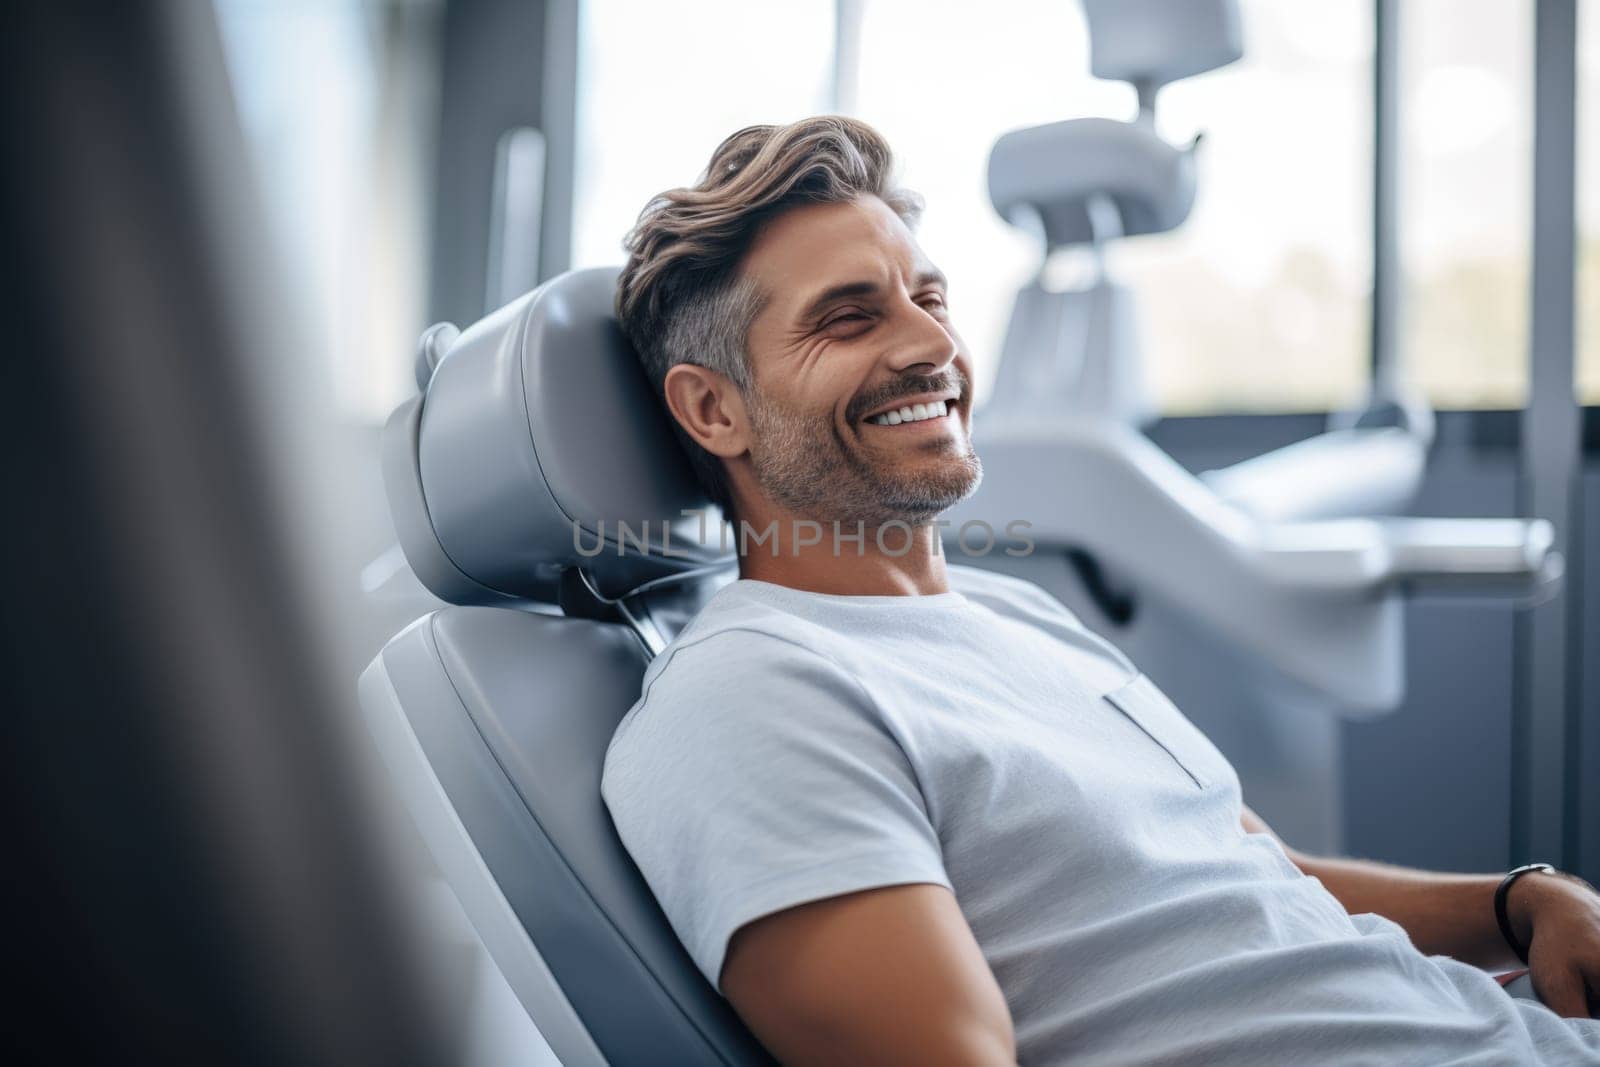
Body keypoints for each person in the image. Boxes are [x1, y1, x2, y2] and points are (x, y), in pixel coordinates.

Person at [600, 115, 1600, 1065]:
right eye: (849, 317)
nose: (931, 347)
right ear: (712, 407)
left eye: (931, 298)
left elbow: (1247, 874)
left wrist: (1514, 901)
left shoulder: (1019, 616)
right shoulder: (747, 697)